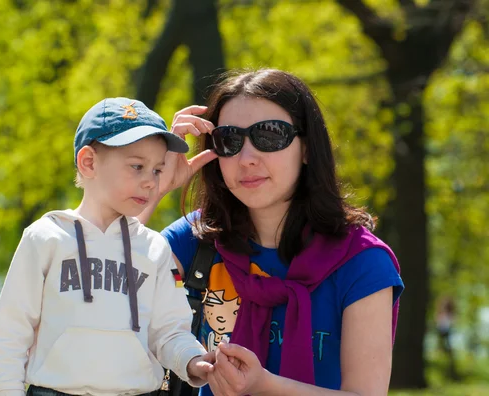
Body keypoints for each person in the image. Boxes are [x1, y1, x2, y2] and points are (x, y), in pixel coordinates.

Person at [138, 69, 405, 395]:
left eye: (269, 134)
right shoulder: (196, 240)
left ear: (307, 148)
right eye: (229, 140)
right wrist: (155, 186)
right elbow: (107, 287)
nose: (247, 158)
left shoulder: (362, 263)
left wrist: (264, 385)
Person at [0, 98, 214, 396]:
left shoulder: (155, 249)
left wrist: (194, 360)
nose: (150, 182)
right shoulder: (45, 238)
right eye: (137, 167)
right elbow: (11, 334)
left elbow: (170, 330)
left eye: (158, 170)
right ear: (89, 162)